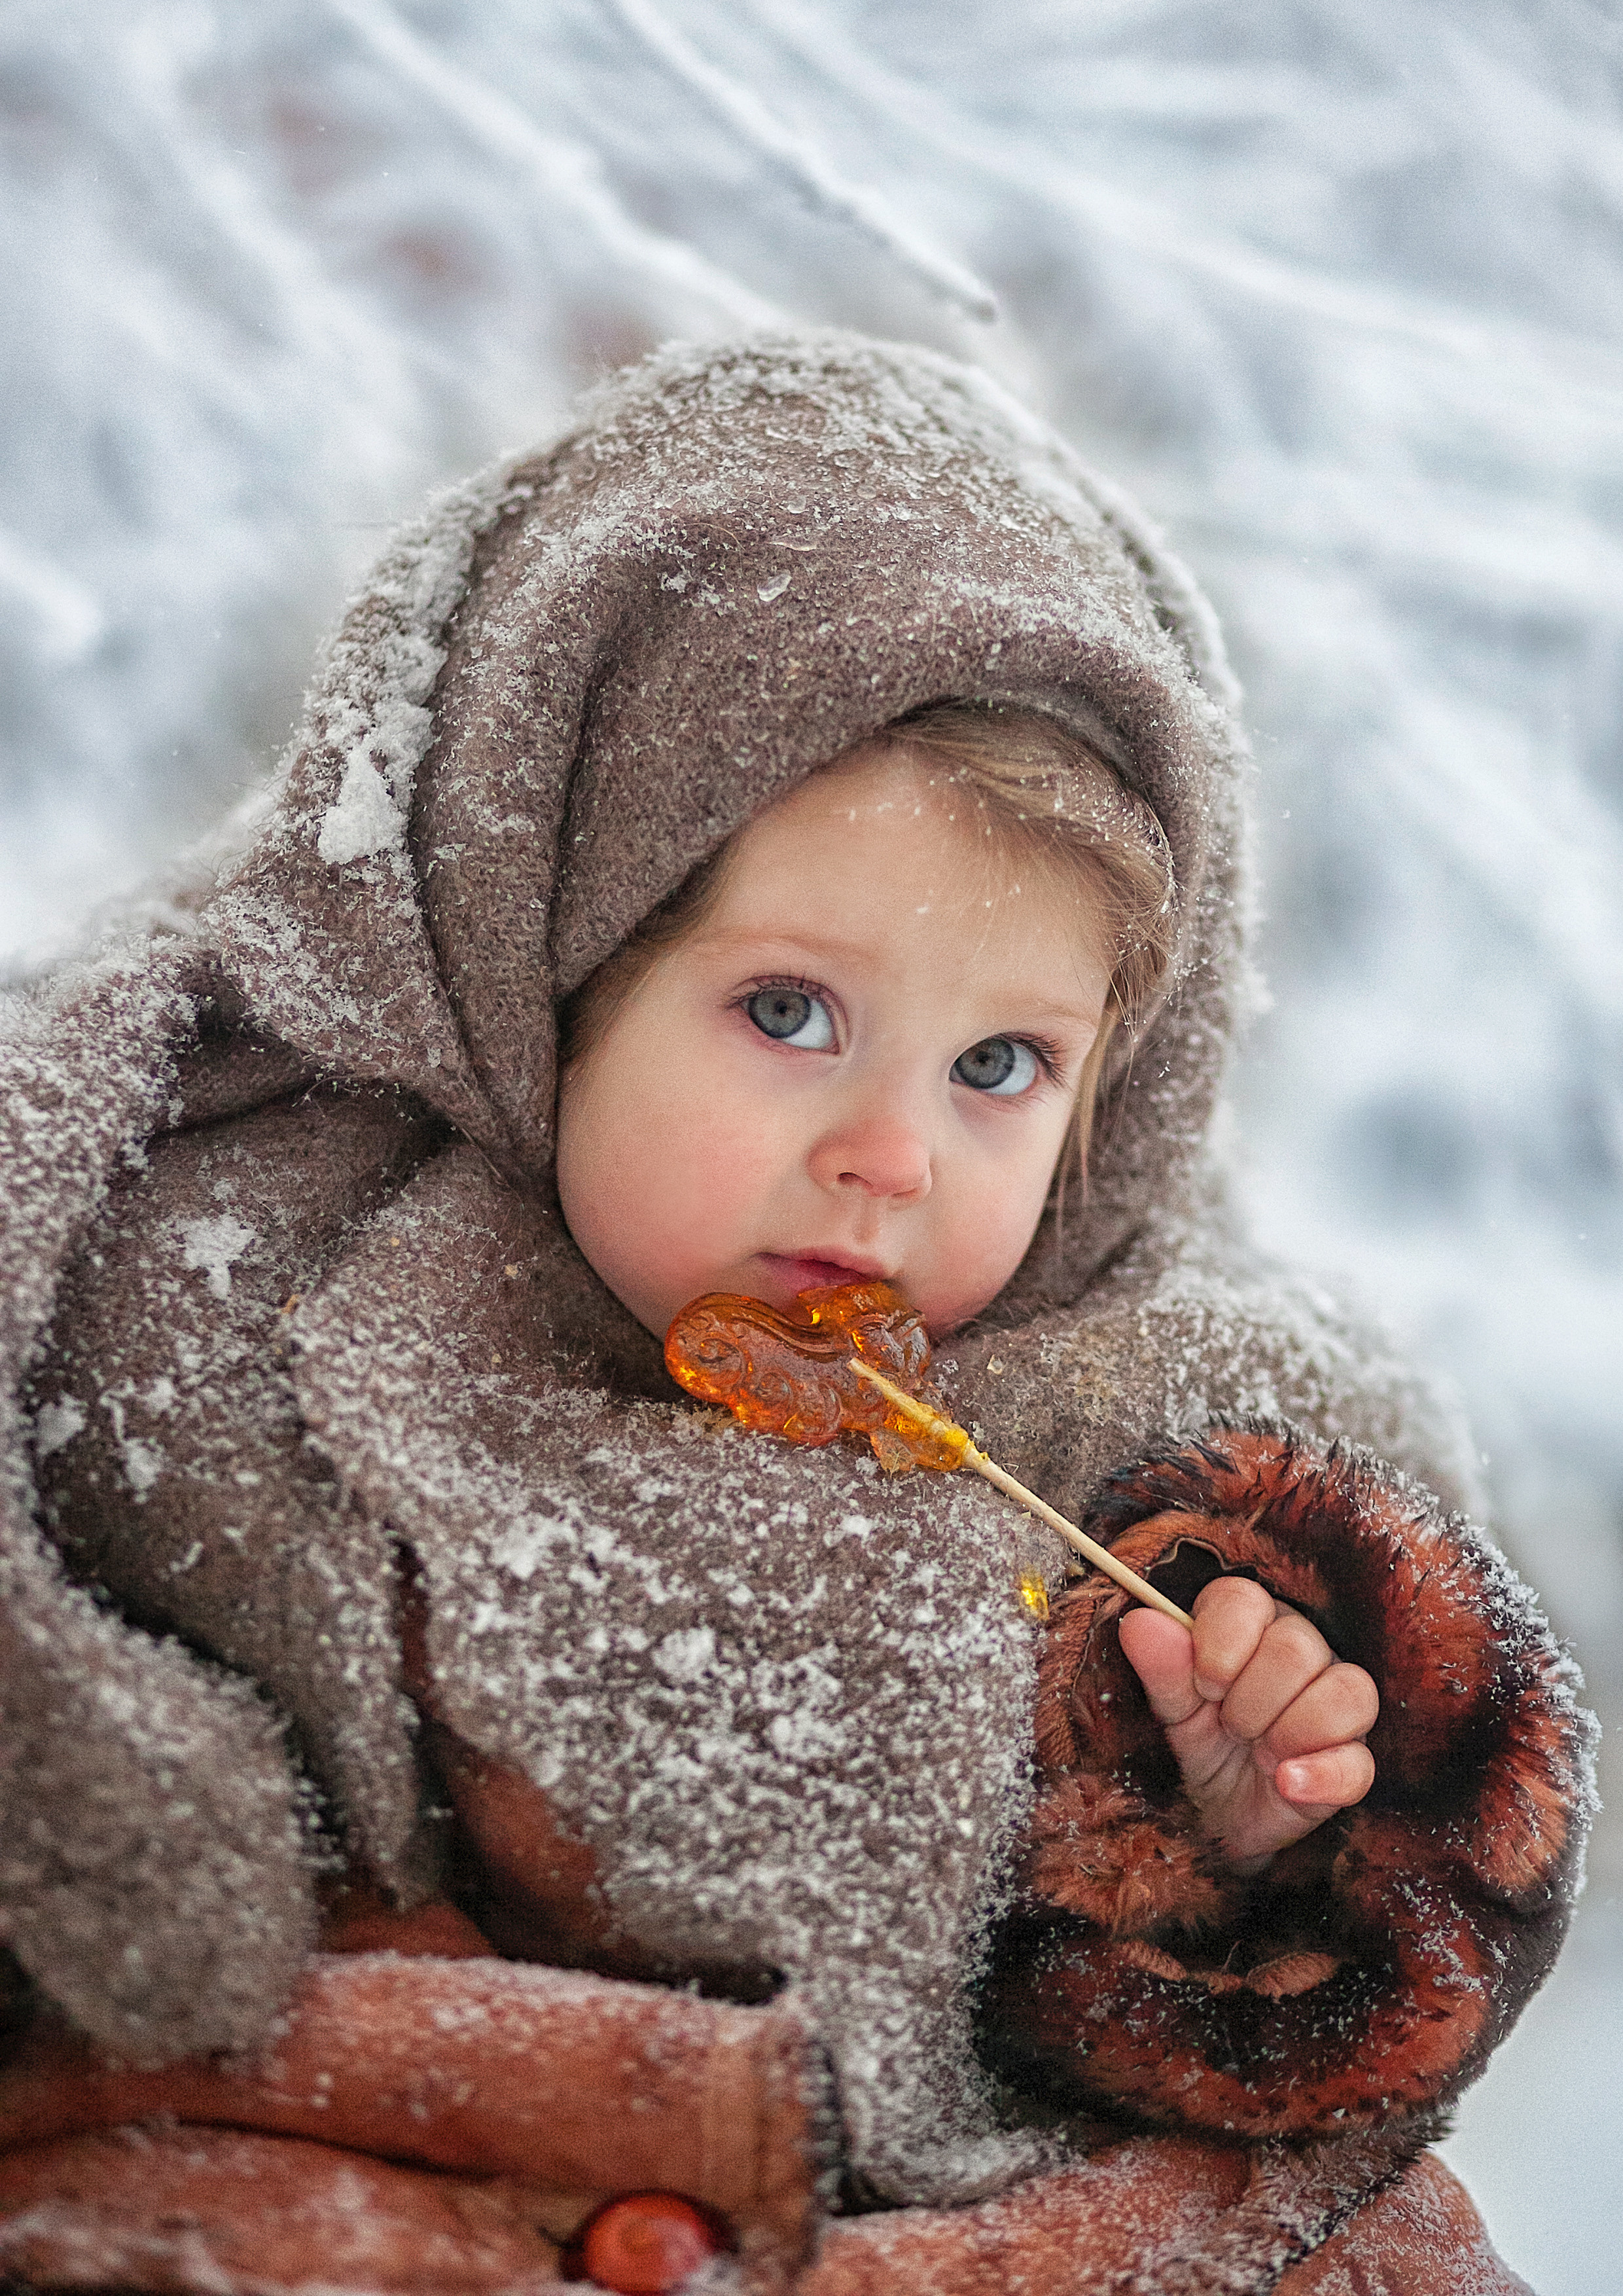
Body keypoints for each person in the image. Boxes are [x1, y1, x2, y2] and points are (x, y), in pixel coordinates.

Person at [0, 331, 1592, 2293]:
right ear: (550, 956)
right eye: (787, 1011)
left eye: (1000, 1066)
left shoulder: (1169, 1448)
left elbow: (1297, 2006)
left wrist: (1234, 1835)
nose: (889, 1156)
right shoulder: (223, 1312)